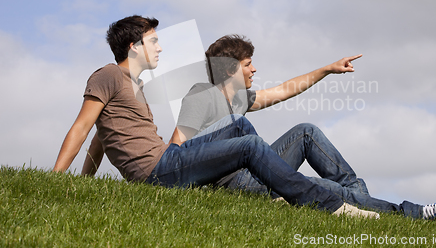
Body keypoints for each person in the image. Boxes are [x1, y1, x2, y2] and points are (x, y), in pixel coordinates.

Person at [54, 15, 380, 219]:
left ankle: (282, 190)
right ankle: (323, 205)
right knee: (249, 141)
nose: (160, 48)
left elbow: (101, 137)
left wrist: (85, 185)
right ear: (133, 46)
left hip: (165, 165)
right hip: (160, 168)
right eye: (153, 41)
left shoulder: (134, 86)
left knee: (252, 133)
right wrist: (57, 181)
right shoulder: (108, 74)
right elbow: (82, 127)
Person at [170, 34, 436, 221]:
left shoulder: (238, 99)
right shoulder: (201, 95)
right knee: (325, 187)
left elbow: (284, 90)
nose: (254, 69)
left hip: (254, 169)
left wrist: (327, 69)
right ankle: (415, 213)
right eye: (248, 64)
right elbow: (179, 151)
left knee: (306, 131)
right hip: (236, 182)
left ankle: (364, 201)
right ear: (231, 69)